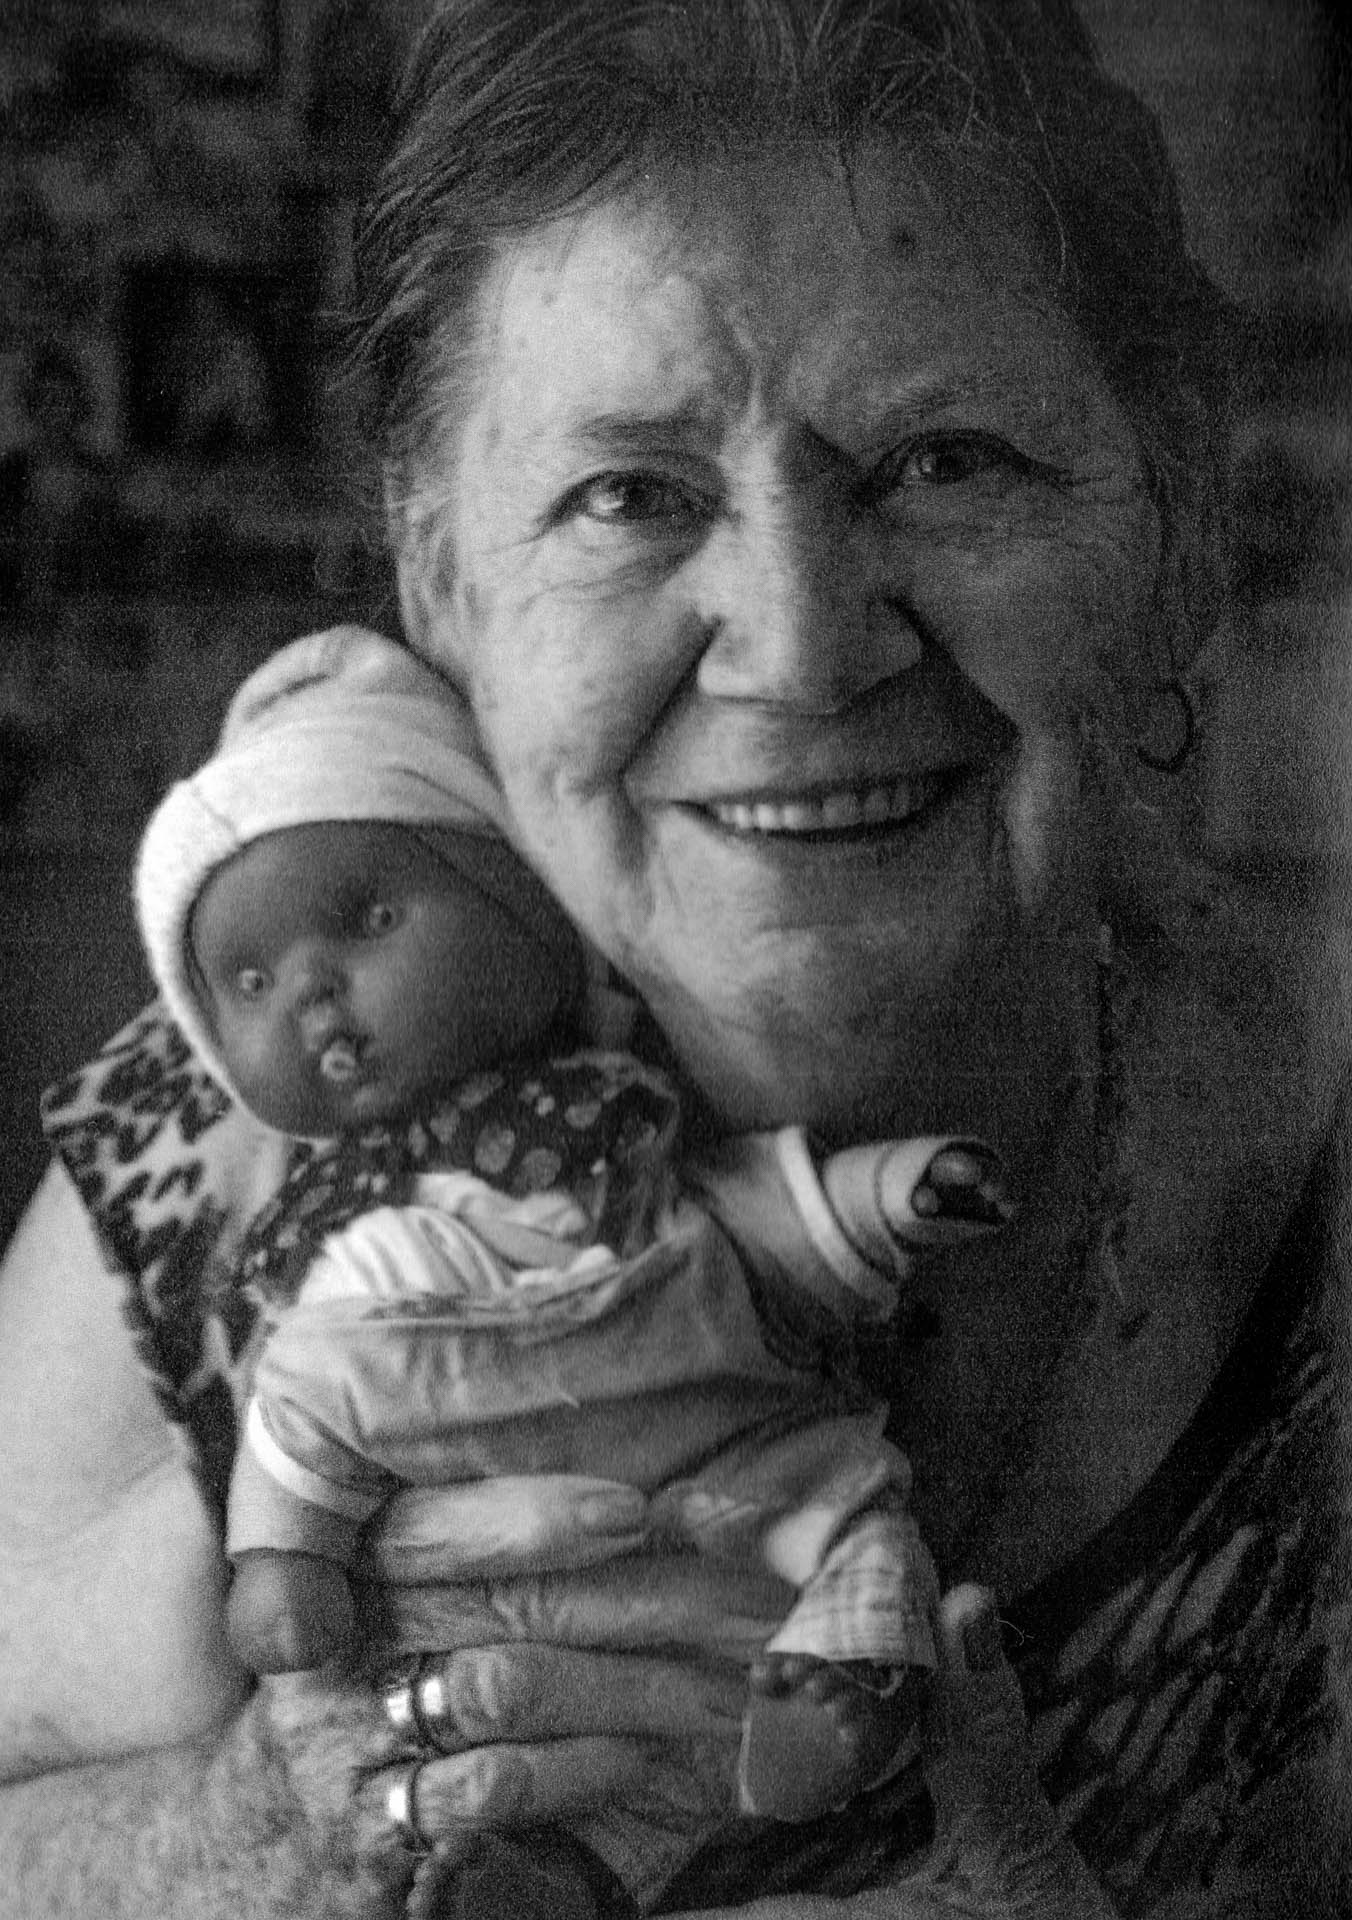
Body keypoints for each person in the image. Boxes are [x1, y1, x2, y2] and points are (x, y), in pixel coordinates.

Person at [1, 2, 1349, 1917]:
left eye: (944, 461)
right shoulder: (219, 1145)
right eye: (630, 494)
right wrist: (272, 1830)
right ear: (441, 581)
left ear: (1180, 524)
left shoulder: (1308, 1147)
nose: (798, 648)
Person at [133, 619, 1008, 1912]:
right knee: (581, 1771)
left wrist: (891, 1196)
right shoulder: (313, 1248)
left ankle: (847, 1685)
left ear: (531, 903)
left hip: (736, 1483)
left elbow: (758, 1217)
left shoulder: (624, 1129)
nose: (312, 991)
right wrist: (288, 1563)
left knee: (850, 1522)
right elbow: (303, 1419)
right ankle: (557, 1876)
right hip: (512, 1607)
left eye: (369, 917)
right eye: (250, 981)